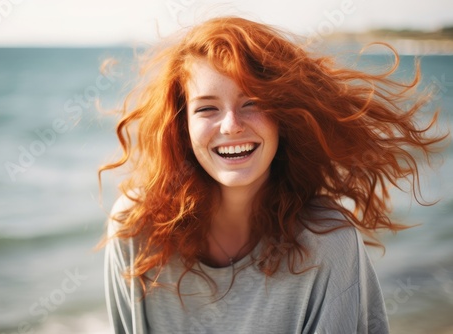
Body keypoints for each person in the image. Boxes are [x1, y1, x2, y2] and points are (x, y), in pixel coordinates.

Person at [99, 16, 447, 334]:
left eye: (253, 102)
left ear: (284, 114)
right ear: (181, 126)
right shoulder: (135, 229)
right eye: (207, 108)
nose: (232, 125)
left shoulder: (328, 243)